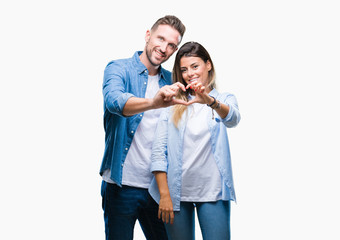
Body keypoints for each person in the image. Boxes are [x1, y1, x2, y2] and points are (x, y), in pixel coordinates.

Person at [99, 15, 186, 240]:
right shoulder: (118, 68)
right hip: (120, 185)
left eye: (171, 45)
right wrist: (153, 103)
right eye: (160, 39)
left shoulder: (172, 81)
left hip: (158, 190)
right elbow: (115, 102)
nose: (164, 48)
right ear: (148, 35)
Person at [148, 41, 241, 240]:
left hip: (213, 192)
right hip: (175, 195)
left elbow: (232, 118)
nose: (190, 73)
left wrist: (209, 100)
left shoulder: (224, 99)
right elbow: (158, 152)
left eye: (195, 66)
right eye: (184, 69)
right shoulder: (172, 104)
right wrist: (164, 194)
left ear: (208, 65)